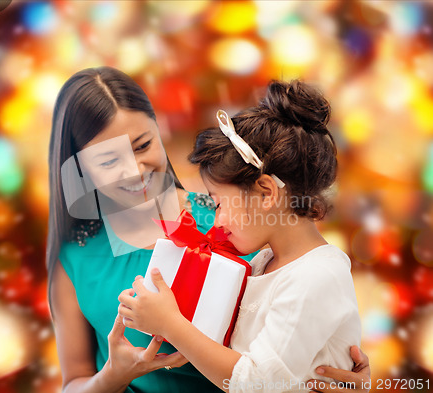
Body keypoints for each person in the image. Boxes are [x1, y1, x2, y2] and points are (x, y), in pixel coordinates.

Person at [47, 67, 370, 393]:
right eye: (107, 161)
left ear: (160, 131)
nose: (133, 171)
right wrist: (114, 375)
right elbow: (74, 381)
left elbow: (301, 328)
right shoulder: (76, 256)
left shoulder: (245, 223)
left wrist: (342, 365)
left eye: (143, 145)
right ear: (79, 167)